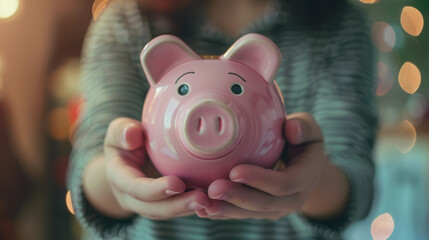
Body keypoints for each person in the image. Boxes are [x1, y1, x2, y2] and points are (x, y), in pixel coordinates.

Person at [67, 0, 378, 239]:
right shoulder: (127, 21)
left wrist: (312, 180)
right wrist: (117, 178)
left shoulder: (338, 24)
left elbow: (357, 185)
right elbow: (89, 168)